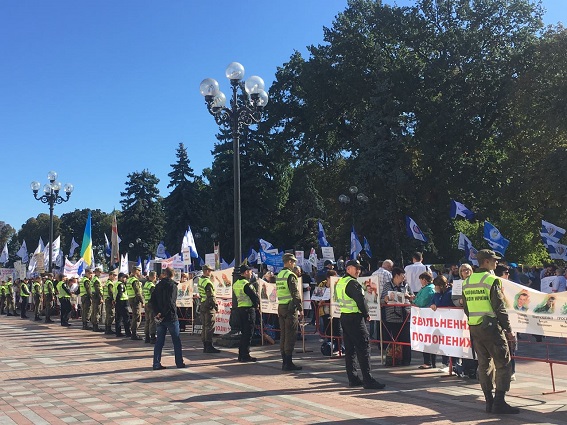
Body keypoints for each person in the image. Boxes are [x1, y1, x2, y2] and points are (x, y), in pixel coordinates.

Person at [462, 249, 519, 415]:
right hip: (491, 328)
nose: (496, 263)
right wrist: (508, 330)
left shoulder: (467, 282)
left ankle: (489, 402)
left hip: (475, 327)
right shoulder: (492, 280)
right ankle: (499, 402)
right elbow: (499, 308)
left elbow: (466, 308)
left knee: (484, 365)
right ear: (486, 261)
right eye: (494, 260)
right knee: (503, 363)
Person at [336, 259, 385, 389]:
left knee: (350, 350)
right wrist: (366, 313)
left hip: (345, 317)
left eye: (359, 268)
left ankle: (353, 378)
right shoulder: (353, 283)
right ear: (348, 269)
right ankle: (368, 380)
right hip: (355, 318)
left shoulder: (341, 282)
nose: (358, 271)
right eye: (355, 268)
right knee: (363, 347)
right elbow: (360, 301)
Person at [150, 267, 185, 370]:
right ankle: (179, 362)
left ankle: (156, 363)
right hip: (171, 317)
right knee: (176, 341)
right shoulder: (173, 286)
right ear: (173, 275)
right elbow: (171, 302)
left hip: (160, 318)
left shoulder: (158, 285)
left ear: (164, 274)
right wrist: (163, 313)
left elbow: (152, 301)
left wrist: (158, 313)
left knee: (159, 341)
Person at [276, 253, 303, 371]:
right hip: (290, 308)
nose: (294, 264)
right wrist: (301, 309)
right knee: (290, 335)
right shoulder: (290, 275)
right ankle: (288, 363)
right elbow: (295, 294)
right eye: (294, 262)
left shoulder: (279, 275)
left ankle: (284, 362)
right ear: (290, 262)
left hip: (281, 306)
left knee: (283, 335)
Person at [382, 267, 414, 366]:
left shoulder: (406, 285)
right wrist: (386, 299)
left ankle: (406, 360)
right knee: (394, 339)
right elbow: (382, 299)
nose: (404, 277)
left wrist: (410, 297)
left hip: (405, 316)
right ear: (396, 276)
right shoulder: (387, 285)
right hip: (392, 316)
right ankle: (394, 359)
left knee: (406, 339)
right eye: (402, 275)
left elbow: (412, 297)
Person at [233, 264, 259, 362]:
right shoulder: (246, 284)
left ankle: (241, 354)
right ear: (246, 272)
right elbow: (254, 297)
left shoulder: (235, 284)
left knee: (244, 333)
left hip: (240, 309)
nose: (251, 273)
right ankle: (245, 355)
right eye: (250, 271)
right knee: (248, 333)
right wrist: (257, 305)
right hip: (248, 310)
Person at [413, 272, 436, 369]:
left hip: (426, 317)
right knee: (430, 339)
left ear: (424, 280)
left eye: (421, 280)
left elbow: (421, 302)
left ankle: (428, 362)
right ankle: (431, 362)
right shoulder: (428, 288)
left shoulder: (428, 289)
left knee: (426, 339)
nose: (420, 282)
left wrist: (414, 301)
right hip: (427, 317)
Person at [198, 265, 221, 353]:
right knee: (209, 326)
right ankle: (209, 346)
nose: (211, 273)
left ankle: (205, 345)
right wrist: (215, 306)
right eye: (210, 271)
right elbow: (211, 296)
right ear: (207, 271)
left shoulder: (200, 280)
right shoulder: (207, 282)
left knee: (204, 326)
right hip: (208, 305)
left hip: (203, 304)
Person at [127, 266, 145, 340]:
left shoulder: (129, 280)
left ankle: (133, 332)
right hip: (135, 300)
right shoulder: (134, 281)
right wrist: (142, 301)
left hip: (131, 299)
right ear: (135, 271)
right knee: (137, 317)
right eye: (139, 271)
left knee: (135, 316)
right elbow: (138, 293)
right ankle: (134, 333)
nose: (140, 272)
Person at [115, 272, 131, 337]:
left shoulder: (116, 284)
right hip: (122, 302)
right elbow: (120, 294)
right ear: (121, 278)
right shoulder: (121, 284)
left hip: (118, 302)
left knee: (118, 318)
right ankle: (128, 332)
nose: (125, 279)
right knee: (126, 318)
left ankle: (118, 332)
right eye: (124, 277)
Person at [143, 270, 158, 344]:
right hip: (151, 304)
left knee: (147, 320)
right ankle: (152, 337)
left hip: (146, 303)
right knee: (152, 321)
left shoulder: (146, 284)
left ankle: (146, 337)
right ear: (154, 277)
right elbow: (154, 296)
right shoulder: (151, 285)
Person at [90, 267, 104, 332]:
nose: (100, 273)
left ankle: (94, 326)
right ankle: (96, 326)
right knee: (97, 312)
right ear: (96, 272)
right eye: (100, 272)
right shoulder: (96, 280)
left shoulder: (94, 279)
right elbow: (98, 290)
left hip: (94, 296)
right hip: (97, 297)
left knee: (94, 311)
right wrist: (100, 298)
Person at [103, 270, 117, 334]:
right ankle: (108, 329)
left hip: (107, 299)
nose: (115, 277)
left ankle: (107, 328)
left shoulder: (107, 282)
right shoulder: (110, 283)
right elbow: (111, 292)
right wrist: (113, 300)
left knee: (108, 314)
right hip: (109, 300)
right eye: (114, 276)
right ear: (110, 275)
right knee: (111, 314)